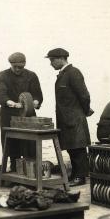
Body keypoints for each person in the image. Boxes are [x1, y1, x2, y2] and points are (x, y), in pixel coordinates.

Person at [46, 48, 93, 186]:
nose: (51, 64)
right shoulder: (64, 74)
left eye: (52, 60)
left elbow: (84, 95)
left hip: (74, 118)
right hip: (67, 119)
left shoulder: (73, 73)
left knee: (78, 148)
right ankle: (75, 175)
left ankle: (80, 177)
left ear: (61, 58)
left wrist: (82, 112)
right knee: (72, 148)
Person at [0, 52, 43, 171]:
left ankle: (31, 172)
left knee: (30, 144)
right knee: (12, 145)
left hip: (28, 115)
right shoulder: (2, 76)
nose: (17, 69)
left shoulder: (31, 76)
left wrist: (35, 102)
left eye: (20, 67)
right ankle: (15, 170)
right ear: (10, 64)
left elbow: (38, 94)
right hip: (9, 115)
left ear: (24, 64)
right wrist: (11, 103)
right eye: (15, 66)